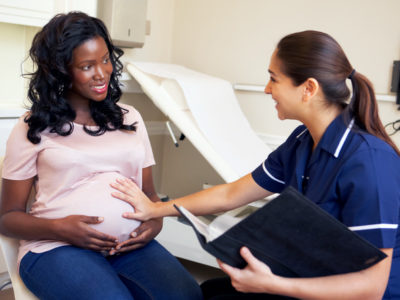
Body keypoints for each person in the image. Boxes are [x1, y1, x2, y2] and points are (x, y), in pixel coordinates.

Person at [110, 30, 400, 300]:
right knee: (211, 291)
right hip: (314, 275)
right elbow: (231, 194)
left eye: (274, 79)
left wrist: (271, 284)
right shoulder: (302, 141)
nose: (266, 89)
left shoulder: (369, 161)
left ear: (308, 88)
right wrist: (154, 208)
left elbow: (372, 287)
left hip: (359, 294)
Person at [0, 12, 202, 300]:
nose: (101, 73)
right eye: (86, 66)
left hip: (127, 247)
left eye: (105, 60)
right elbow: (7, 217)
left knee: (187, 296)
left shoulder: (130, 117)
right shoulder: (33, 126)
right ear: (61, 70)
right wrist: (61, 229)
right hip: (55, 248)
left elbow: (151, 198)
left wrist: (155, 224)